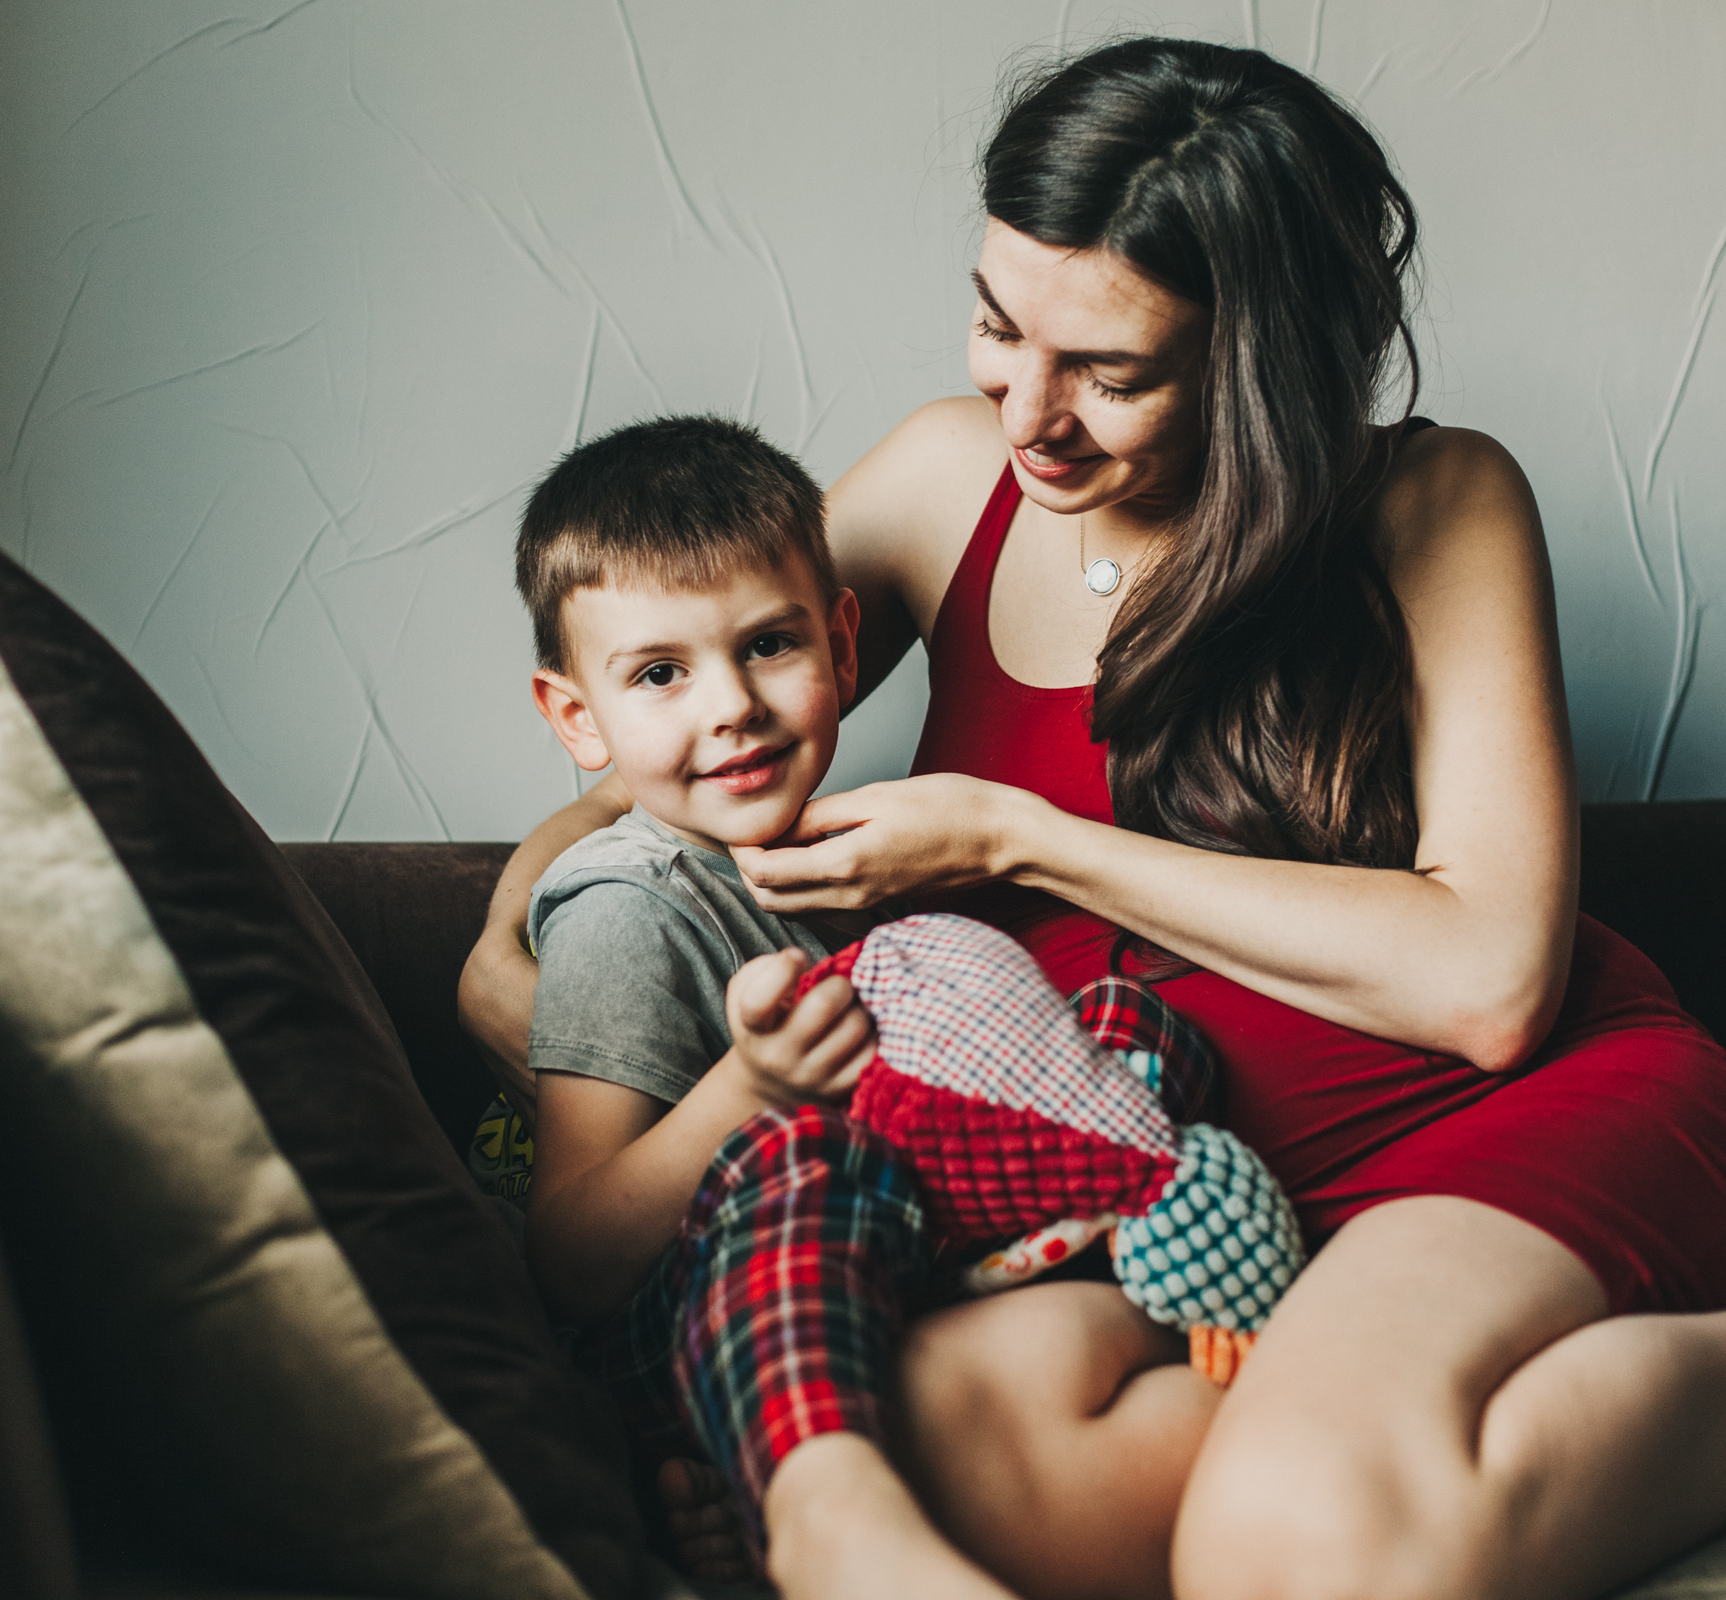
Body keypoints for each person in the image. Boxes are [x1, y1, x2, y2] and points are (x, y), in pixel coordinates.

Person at [466, 37, 1726, 1600]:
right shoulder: (941, 483)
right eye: (997, 326)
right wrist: (509, 940)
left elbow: (1490, 986)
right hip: (1173, 1196)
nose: (1029, 413)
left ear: (1261, 364)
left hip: (1481, 1128)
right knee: (947, 1440)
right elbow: (661, 733)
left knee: (1306, 1558)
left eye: (1110, 373)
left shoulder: (1432, 504)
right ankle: (1677, 1448)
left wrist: (1021, 839)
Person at [509, 413, 1240, 1592]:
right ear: (577, 718)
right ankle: (798, 1509)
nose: (731, 706)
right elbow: (571, 1257)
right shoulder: (627, 909)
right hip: (688, 1338)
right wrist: (751, 1088)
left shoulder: (864, 866)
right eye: (659, 674)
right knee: (810, 1155)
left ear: (844, 647)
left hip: (870, 1283)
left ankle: (1181, 1254)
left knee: (1121, 1021)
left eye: (768, 645)